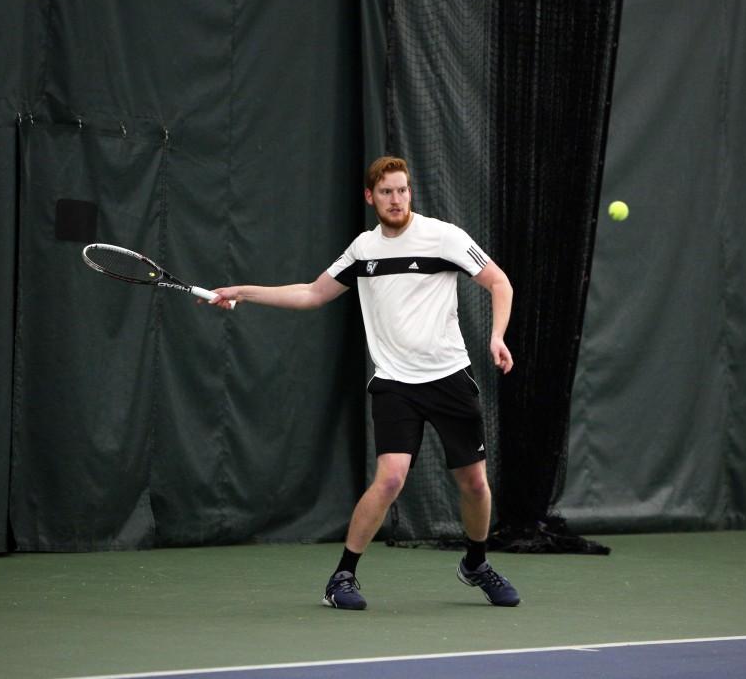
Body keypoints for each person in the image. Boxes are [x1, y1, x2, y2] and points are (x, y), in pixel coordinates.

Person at [208, 156, 520, 610]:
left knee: (474, 483)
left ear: (410, 193)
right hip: (394, 382)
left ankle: (475, 563)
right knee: (391, 478)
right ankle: (342, 577)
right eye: (387, 192)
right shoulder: (363, 250)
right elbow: (313, 293)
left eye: (403, 190)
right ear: (370, 197)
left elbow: (500, 283)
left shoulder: (444, 237)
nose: (397, 199)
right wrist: (244, 292)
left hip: (450, 376)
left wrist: (496, 336)